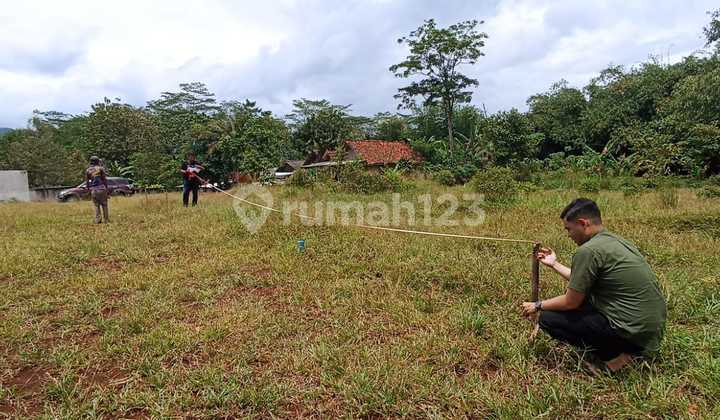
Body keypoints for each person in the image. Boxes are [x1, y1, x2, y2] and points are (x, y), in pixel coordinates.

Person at [521, 198, 666, 372]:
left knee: (548, 318)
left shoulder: (588, 251)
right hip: (649, 330)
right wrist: (554, 264)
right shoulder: (615, 241)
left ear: (583, 223)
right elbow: (583, 280)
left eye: (569, 229)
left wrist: (537, 305)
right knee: (584, 301)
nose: (568, 235)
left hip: (631, 332)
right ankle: (628, 350)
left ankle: (618, 359)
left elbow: (570, 302)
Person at [85, 156, 110, 224]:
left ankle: (98, 220)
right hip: (102, 188)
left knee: (96, 205)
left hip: (94, 190)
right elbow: (104, 180)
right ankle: (106, 220)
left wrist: (88, 190)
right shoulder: (101, 168)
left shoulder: (88, 170)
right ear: (97, 161)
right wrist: (107, 189)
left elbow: (87, 182)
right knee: (104, 204)